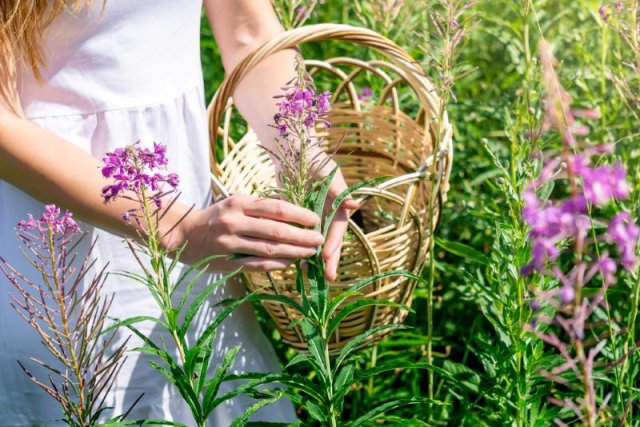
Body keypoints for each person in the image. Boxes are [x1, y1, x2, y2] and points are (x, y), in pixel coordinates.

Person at [0, 0, 357, 424]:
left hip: (199, 260)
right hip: (46, 262)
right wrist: (176, 228)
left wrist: (299, 149)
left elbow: (250, 31)